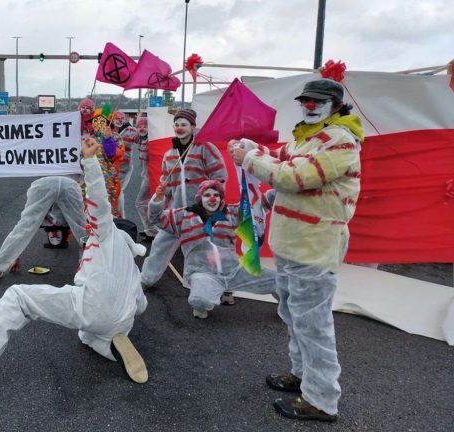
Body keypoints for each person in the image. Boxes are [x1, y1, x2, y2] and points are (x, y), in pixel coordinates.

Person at [0, 137, 149, 391]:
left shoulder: (107, 233)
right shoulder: (132, 264)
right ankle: (109, 345)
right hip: (122, 320)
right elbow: (141, 305)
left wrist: (89, 161)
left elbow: (100, 202)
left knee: (18, 297)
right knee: (87, 334)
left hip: (90, 304)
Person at [228, 78, 363, 422]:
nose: (311, 105)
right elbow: (280, 162)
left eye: (318, 101)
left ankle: (321, 399)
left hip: (314, 248)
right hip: (292, 246)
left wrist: (248, 159)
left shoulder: (341, 141)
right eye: (307, 100)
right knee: (293, 318)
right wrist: (253, 149)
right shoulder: (306, 137)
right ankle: (303, 377)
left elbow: (293, 178)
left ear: (335, 104)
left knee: (313, 324)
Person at [149, 179, 277, 318]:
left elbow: (259, 208)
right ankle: (206, 300)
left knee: (282, 281)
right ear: (200, 198)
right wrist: (158, 199)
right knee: (200, 301)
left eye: (216, 195)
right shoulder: (184, 216)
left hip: (234, 272)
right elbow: (157, 218)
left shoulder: (232, 212)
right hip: (203, 274)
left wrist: (279, 190)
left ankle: (287, 309)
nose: (212, 198)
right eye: (207, 195)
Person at [140, 109, 227, 289]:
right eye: (177, 125)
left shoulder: (206, 148)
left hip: (199, 213)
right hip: (177, 212)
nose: (180, 128)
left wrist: (211, 203)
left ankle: (214, 287)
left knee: (204, 251)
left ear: (193, 127)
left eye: (184, 125)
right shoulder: (170, 154)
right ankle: (145, 280)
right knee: (160, 245)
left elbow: (220, 176)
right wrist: (163, 192)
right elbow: (167, 183)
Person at [0, 176, 86, 284]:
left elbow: (25, 230)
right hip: (69, 182)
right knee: (81, 227)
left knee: (26, 226)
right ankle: (88, 267)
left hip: (43, 182)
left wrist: (13, 255)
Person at [133, 115, 157, 242]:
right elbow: (134, 138)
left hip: (150, 177)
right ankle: (151, 230)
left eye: (145, 126)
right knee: (147, 203)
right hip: (145, 177)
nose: (142, 128)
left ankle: (152, 231)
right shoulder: (142, 139)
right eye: (139, 126)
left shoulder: (150, 141)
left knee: (140, 202)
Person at [111, 111, 138, 219]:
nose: (120, 120)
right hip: (109, 168)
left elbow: (140, 139)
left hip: (123, 168)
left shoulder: (131, 130)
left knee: (117, 192)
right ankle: (113, 216)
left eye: (122, 118)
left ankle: (120, 218)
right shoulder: (108, 130)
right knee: (111, 192)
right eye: (117, 118)